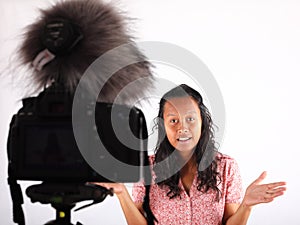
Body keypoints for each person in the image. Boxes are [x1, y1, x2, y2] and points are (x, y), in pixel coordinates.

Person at [95, 84, 286, 225]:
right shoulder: (147, 168)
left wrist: (247, 205)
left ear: (202, 122)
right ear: (163, 126)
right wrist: (121, 192)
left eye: (190, 119)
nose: (183, 128)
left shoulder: (226, 167)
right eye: (174, 120)